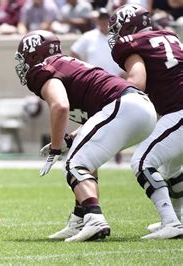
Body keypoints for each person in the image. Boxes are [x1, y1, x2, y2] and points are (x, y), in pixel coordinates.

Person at [14, 30, 157, 242]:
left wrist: (55, 147)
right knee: (83, 158)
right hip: (139, 109)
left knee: (74, 165)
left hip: (123, 106)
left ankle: (95, 219)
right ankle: (80, 218)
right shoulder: (68, 64)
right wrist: (68, 140)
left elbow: (60, 106)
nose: (22, 62)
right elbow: (92, 120)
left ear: (34, 55)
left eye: (24, 56)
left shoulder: (42, 69)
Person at [108, 4, 183, 239]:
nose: (115, 35)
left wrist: (114, 94)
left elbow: (137, 82)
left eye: (117, 29)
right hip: (177, 110)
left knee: (142, 162)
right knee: (172, 168)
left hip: (179, 111)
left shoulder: (133, 45)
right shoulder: (169, 36)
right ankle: (179, 219)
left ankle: (170, 222)